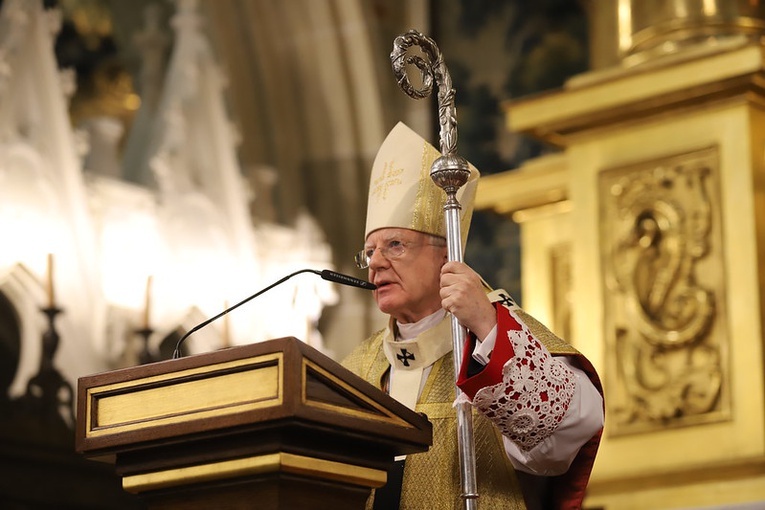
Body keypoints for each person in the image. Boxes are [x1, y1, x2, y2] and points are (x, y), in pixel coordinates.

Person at [342, 122, 604, 510]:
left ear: (446, 256)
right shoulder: (354, 371)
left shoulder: (501, 334)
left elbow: (564, 435)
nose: (376, 263)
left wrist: (486, 323)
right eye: (370, 251)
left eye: (395, 245)